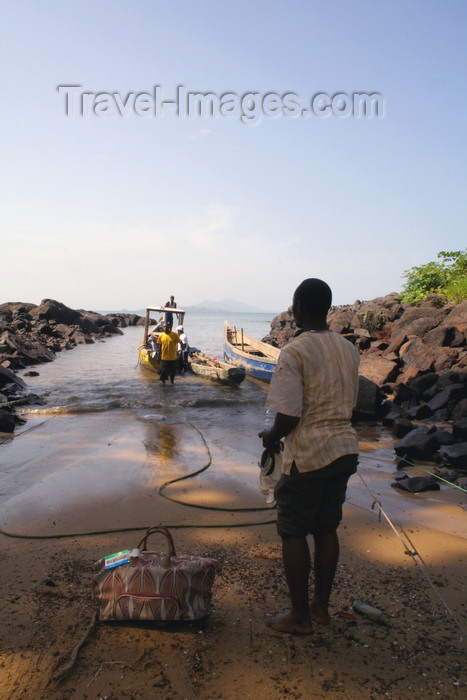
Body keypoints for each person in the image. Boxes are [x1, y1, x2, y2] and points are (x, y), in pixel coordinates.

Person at [258, 278, 360, 635]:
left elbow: (288, 415)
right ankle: (320, 608)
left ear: (299, 307)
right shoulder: (349, 349)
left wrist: (271, 438)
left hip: (310, 455)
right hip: (345, 449)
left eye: (293, 304)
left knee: (293, 531)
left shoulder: (295, 351)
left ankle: (299, 616)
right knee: (326, 528)